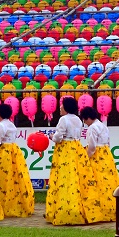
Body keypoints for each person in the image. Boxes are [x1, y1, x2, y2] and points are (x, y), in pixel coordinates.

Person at [45, 96, 89, 225]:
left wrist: (52, 137)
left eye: (62, 105)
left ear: (66, 107)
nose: (60, 108)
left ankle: (63, 209)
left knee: (64, 178)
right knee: (75, 178)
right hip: (76, 147)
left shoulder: (63, 119)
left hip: (65, 149)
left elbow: (59, 137)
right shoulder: (78, 120)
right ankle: (76, 208)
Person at [0, 104, 34, 218]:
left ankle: (1, 204)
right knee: (13, 178)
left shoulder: (1, 126)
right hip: (13, 152)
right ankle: (14, 204)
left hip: (2, 153)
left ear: (0, 113)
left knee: (0, 178)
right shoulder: (11, 125)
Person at [80, 106, 119, 223]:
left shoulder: (92, 128)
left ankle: (98, 210)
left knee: (95, 181)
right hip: (106, 154)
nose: (85, 123)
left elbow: (92, 146)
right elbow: (108, 142)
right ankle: (110, 209)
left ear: (87, 118)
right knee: (107, 182)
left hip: (97, 156)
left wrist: (86, 157)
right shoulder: (103, 126)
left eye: (84, 120)